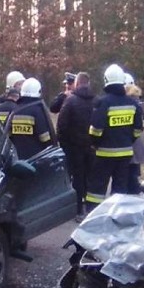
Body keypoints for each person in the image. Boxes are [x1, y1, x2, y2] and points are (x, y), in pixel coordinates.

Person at [83, 64, 143, 212]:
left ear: (106, 80)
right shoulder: (133, 103)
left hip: (104, 154)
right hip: (125, 155)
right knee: (120, 188)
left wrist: (95, 144)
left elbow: (96, 130)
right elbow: (137, 130)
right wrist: (127, 141)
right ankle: (116, 216)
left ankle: (92, 214)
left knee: (96, 188)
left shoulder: (103, 103)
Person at [55, 71, 95, 216]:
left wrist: (65, 145)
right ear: (88, 83)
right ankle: (91, 210)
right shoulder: (96, 101)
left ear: (76, 84)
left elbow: (62, 126)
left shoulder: (70, 101)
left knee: (77, 178)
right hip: (92, 148)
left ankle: (78, 210)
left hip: (74, 148)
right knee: (90, 178)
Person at [6, 77, 55, 159]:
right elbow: (45, 138)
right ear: (38, 91)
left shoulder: (15, 111)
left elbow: (9, 136)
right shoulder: (37, 110)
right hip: (37, 158)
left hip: (18, 160)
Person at [124, 72, 144, 194]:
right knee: (133, 173)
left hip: (132, 144)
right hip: (137, 142)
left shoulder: (130, 102)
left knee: (131, 177)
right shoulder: (137, 101)